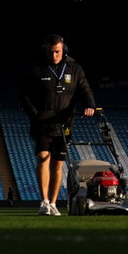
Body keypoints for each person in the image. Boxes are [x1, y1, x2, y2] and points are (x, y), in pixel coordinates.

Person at [18, 33, 96, 216]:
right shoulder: (36, 69)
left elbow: (85, 89)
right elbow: (23, 94)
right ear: (45, 50)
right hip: (42, 122)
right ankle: (44, 201)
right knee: (43, 158)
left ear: (64, 50)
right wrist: (35, 114)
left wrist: (90, 104)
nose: (54, 55)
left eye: (57, 52)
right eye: (51, 52)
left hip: (64, 123)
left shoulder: (74, 69)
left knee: (58, 164)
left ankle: (53, 203)